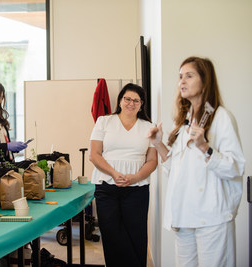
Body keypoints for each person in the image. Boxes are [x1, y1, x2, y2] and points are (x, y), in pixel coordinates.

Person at [148, 56, 245, 266]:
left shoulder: (221, 118)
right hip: (184, 216)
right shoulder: (186, 123)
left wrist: (204, 146)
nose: (181, 81)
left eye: (189, 76)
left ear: (205, 80)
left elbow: (235, 168)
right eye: (180, 77)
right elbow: (175, 169)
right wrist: (158, 143)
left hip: (212, 219)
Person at [89, 83, 157, 267]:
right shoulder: (104, 121)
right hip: (106, 186)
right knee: (112, 236)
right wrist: (114, 173)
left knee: (136, 235)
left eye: (136, 100)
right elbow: (94, 154)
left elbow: (152, 161)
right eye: (127, 99)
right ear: (120, 100)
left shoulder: (149, 127)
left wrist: (135, 177)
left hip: (138, 188)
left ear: (141, 105)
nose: (131, 103)